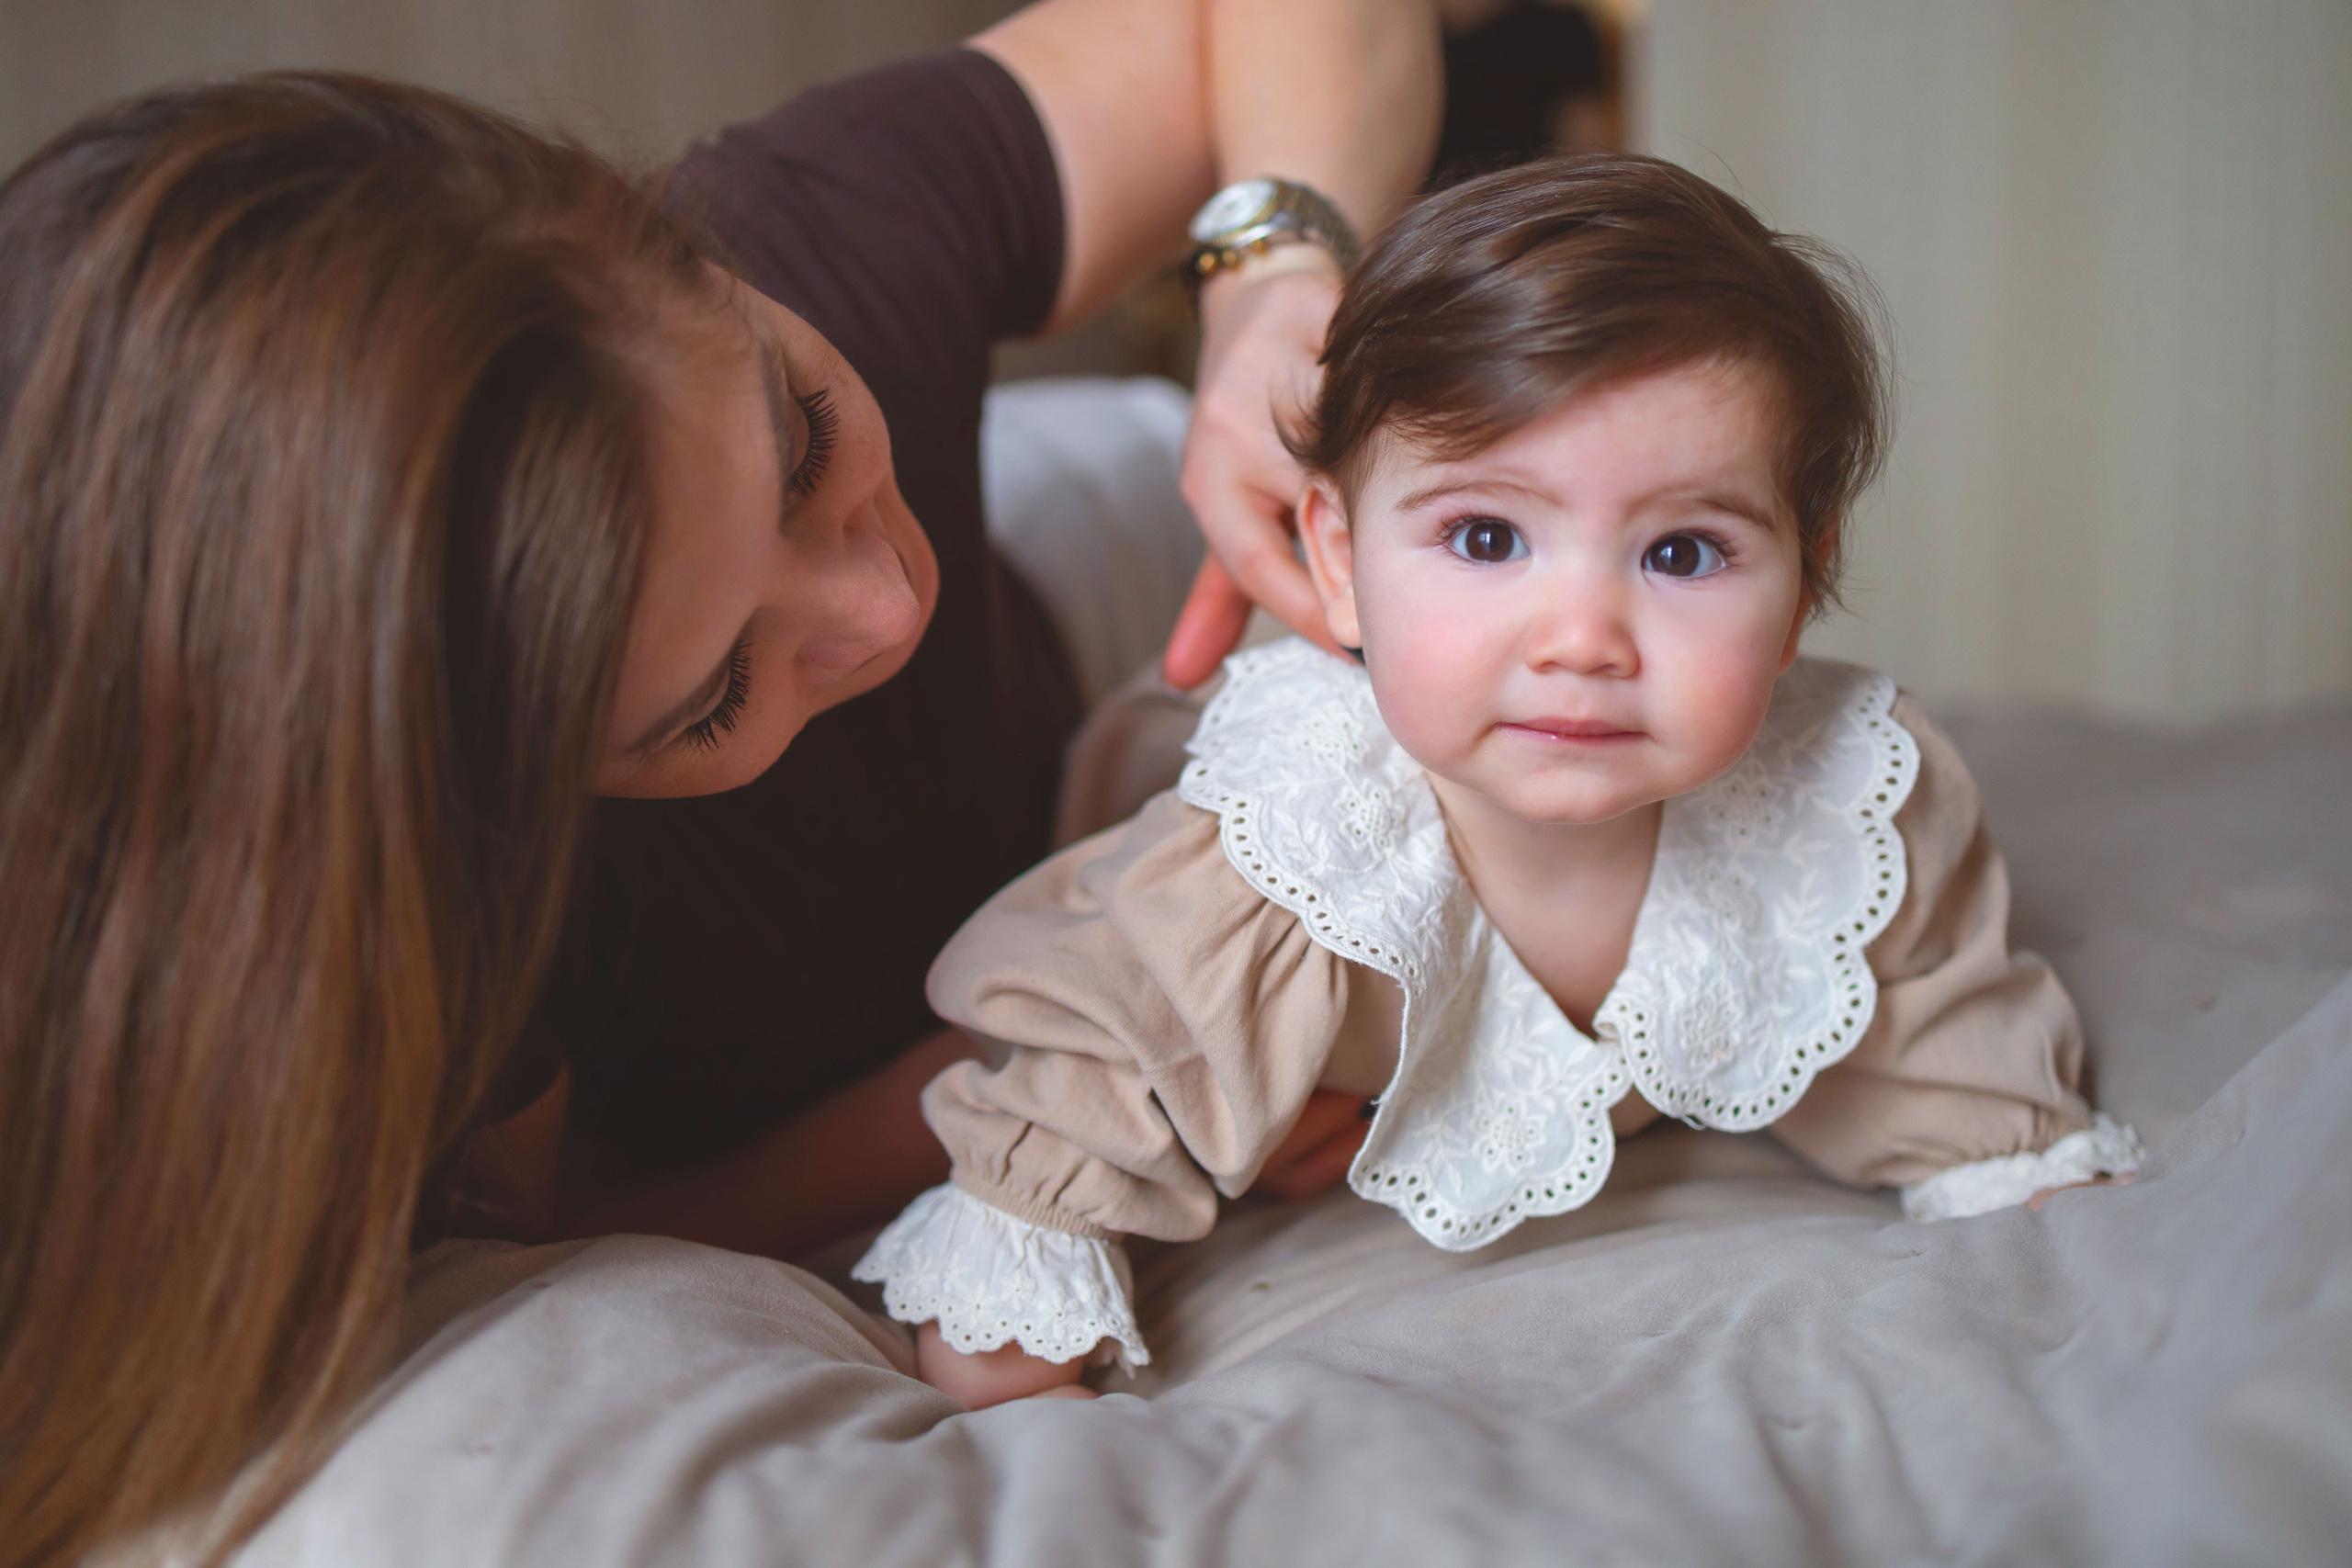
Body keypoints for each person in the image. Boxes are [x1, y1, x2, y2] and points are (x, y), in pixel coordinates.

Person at [0, 4, 1440, 1561]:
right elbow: (586, 1228)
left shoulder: (788, 232)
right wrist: (1061, 1040)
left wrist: (1273, 275)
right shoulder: (429, 933)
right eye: (712, 697)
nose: (887, 606)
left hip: (1095, 597)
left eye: (805, 436)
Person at [851, 155, 2145, 1409]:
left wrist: (2018, 1166)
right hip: (1151, 761)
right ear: (1341, 560)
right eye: (1487, 537)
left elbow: (1929, 1030)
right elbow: (1096, 1075)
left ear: (1805, 582)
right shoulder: (1273, 862)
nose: (1582, 636)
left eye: (1684, 552)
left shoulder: (1847, 815)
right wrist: (1017, 1292)